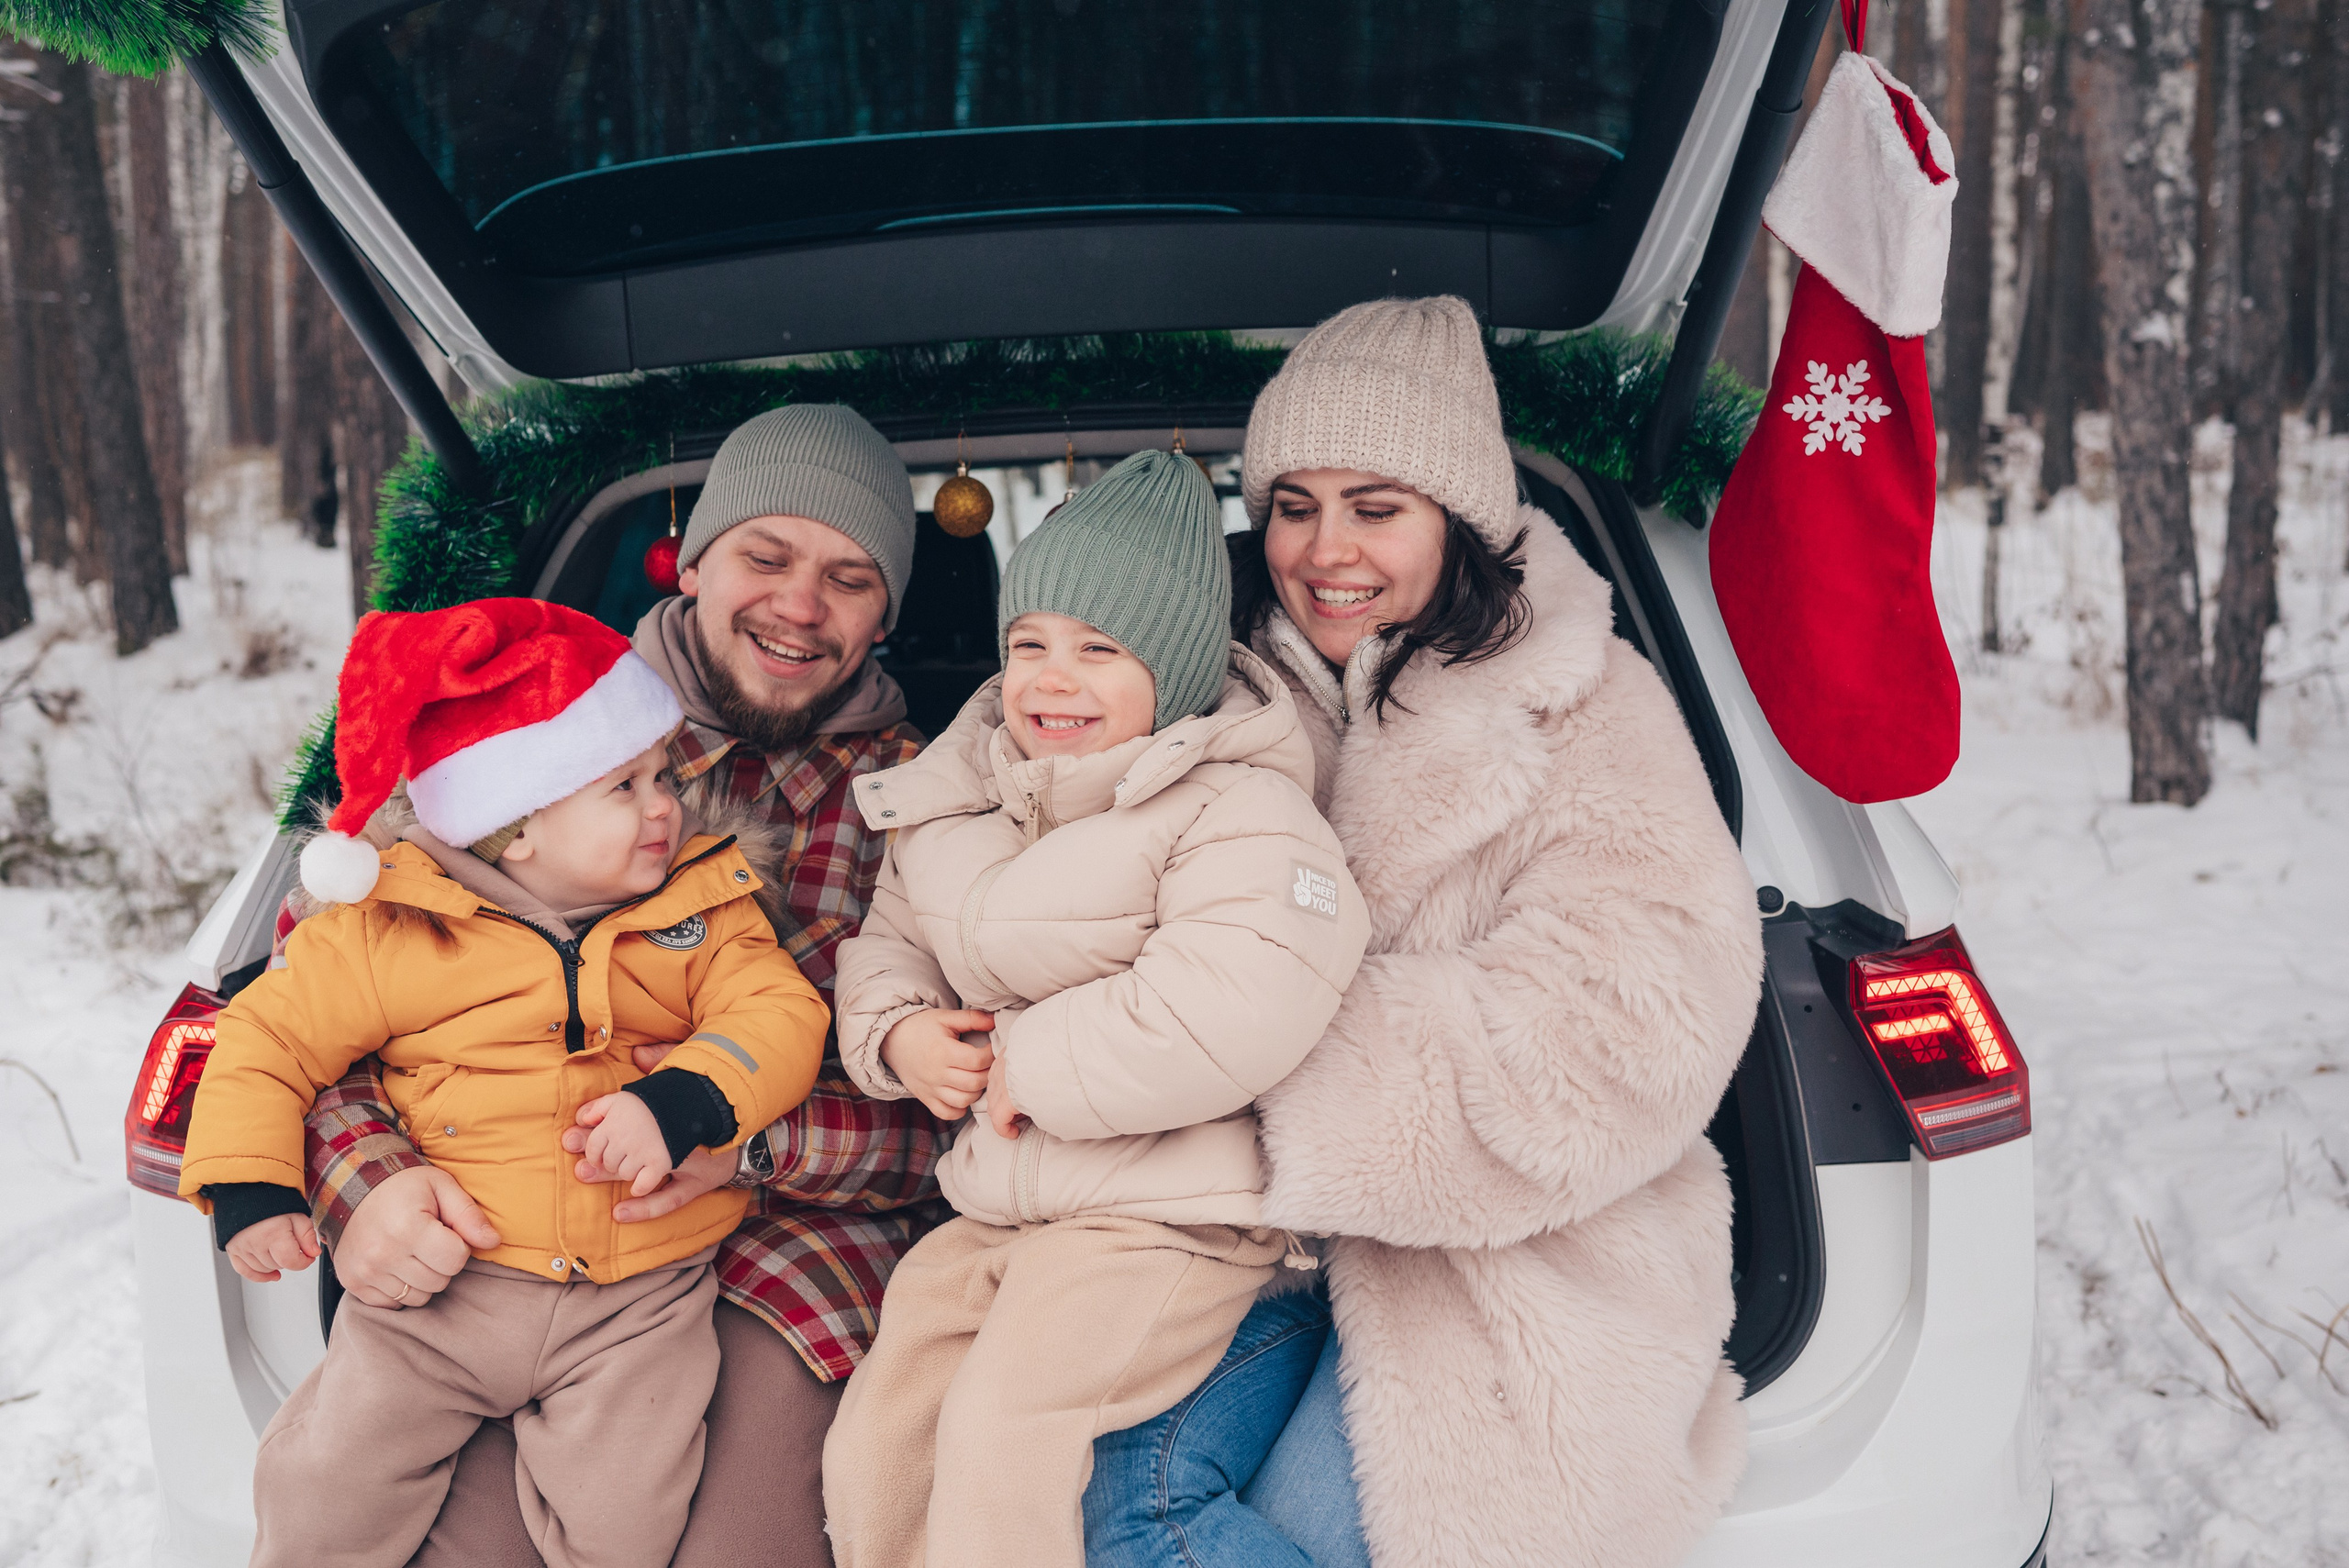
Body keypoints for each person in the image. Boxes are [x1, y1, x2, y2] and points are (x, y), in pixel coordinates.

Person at [1082, 297, 1765, 1568]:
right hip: (1236, 1247)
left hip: (1513, 1276)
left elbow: (1634, 1026)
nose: (1324, 549)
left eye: (1375, 506)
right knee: (1080, 1502)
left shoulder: (1586, 703)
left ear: (1460, 518)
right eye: (1294, 504)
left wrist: (1256, 1058)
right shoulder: (1207, 687)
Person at [297, 405, 949, 1567]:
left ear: (887, 613)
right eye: (765, 556)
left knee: (733, 1543)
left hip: (799, 1237)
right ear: (689, 559)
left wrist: (743, 1143)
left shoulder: (931, 803)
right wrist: (373, 1182)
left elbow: (954, 1113)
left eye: (849, 578)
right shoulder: (518, 725)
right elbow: (312, 1019)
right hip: (498, 1222)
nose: (800, 605)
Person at [182, 599, 832, 1568]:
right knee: (326, 1487)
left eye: (662, 775)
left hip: (638, 1300)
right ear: (515, 825)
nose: (667, 804)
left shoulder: (700, 908)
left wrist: (687, 1097)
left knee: (628, 1523)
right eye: (625, 786)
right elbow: (269, 1037)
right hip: (440, 1297)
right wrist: (250, 1182)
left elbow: (781, 1014)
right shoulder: (391, 928)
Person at [820, 450, 1368, 1568]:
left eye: (1098, 650)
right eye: (1030, 643)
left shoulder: (1238, 807)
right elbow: (888, 941)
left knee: (1003, 1435)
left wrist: (1029, 1060)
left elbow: (1239, 997)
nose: (1050, 679)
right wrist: (899, 1033)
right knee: (879, 1442)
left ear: (1167, 670)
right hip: (996, 1208)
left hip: (1167, 1216)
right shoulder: (953, 796)